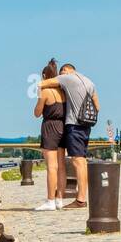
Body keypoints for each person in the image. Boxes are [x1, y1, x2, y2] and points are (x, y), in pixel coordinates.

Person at [39, 62, 99, 207]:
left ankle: (81, 200)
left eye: (61, 73)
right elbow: (97, 106)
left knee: (77, 162)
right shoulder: (89, 81)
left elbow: (43, 83)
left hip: (74, 125)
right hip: (86, 125)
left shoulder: (67, 78)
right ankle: (81, 197)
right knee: (82, 161)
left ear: (66, 71)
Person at [32, 58, 66, 210]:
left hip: (50, 127)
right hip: (63, 126)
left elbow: (37, 113)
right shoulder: (63, 91)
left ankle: (50, 200)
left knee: (51, 166)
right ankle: (59, 199)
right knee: (61, 166)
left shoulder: (45, 91)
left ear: (45, 76)